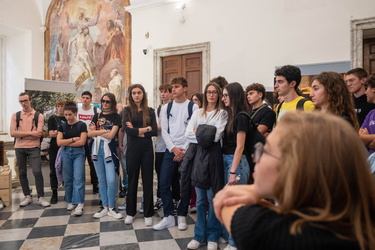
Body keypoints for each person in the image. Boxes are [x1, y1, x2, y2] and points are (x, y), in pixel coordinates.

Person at [213, 111, 375, 250]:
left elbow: (226, 200)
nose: (256, 158)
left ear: (295, 168)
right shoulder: (356, 225)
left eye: (265, 150)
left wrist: (255, 190)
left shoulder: (284, 236)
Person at [185, 82, 228, 250]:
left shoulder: (222, 114)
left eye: (214, 92)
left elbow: (216, 137)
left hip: (214, 158)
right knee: (201, 201)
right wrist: (205, 132)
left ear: (218, 95)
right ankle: (199, 236)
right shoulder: (197, 112)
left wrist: (199, 131)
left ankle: (212, 236)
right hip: (199, 158)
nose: (211, 95)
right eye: (208, 92)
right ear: (205, 94)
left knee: (212, 199)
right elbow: (188, 134)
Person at [153, 76, 198, 231]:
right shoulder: (167, 108)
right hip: (170, 150)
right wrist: (173, 149)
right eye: (172, 87)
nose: (173, 90)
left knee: (184, 184)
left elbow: (194, 131)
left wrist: (183, 149)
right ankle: (168, 216)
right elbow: (164, 130)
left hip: (187, 150)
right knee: (164, 183)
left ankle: (181, 215)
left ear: (185, 88)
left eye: (177, 86)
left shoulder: (194, 107)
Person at [221, 82, 252, 250]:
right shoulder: (230, 114)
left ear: (234, 96)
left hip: (237, 162)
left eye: (226, 95)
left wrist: (233, 171)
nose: (223, 98)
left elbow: (240, 146)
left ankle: (235, 243)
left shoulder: (240, 116)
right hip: (229, 159)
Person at [122, 84, 157, 226]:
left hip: (147, 149)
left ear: (143, 94)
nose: (136, 95)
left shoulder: (150, 111)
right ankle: (130, 212)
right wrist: (145, 129)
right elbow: (128, 132)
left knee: (148, 181)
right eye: (134, 93)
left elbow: (154, 131)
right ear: (130, 95)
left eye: (139, 92)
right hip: (132, 149)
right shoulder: (127, 111)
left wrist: (138, 130)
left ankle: (148, 213)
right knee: (132, 181)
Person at [10, 92, 50, 207]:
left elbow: (38, 134)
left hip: (34, 147)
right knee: (22, 172)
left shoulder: (38, 116)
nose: (23, 103)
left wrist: (21, 134)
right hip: (19, 147)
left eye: (25, 101)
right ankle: (27, 195)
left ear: (30, 100)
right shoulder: (15, 115)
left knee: (37, 171)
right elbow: (13, 133)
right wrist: (30, 133)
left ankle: (41, 197)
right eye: (21, 101)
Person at [88, 93, 123, 219]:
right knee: (101, 180)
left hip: (110, 150)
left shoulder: (116, 117)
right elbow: (89, 133)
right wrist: (103, 131)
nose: (104, 103)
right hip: (97, 149)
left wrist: (97, 132)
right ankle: (104, 206)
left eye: (107, 101)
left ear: (112, 103)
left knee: (111, 179)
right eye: (103, 101)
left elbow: (111, 135)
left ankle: (112, 207)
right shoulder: (97, 115)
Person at [57, 101, 87, 216]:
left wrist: (67, 142)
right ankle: (70, 201)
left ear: (75, 113)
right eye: (65, 115)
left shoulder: (81, 125)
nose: (68, 117)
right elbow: (59, 142)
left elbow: (82, 141)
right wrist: (73, 139)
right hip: (66, 153)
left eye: (70, 114)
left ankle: (79, 202)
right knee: (68, 179)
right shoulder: (62, 126)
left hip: (79, 153)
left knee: (78, 178)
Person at [154, 83, 173, 211]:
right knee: (160, 173)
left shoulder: (174, 108)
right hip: (160, 146)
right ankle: (160, 198)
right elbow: (156, 128)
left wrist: (163, 127)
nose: (163, 94)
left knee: (175, 175)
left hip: (174, 145)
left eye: (165, 91)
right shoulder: (158, 110)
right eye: (161, 91)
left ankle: (176, 199)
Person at [77, 91, 99, 194]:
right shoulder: (77, 110)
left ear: (91, 100)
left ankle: (95, 185)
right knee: (79, 164)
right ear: (81, 99)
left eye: (87, 98)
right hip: (80, 141)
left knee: (93, 164)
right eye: (83, 97)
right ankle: (79, 186)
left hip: (92, 140)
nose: (85, 99)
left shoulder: (96, 110)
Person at [47, 98, 67, 204]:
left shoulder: (69, 117)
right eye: (59, 106)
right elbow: (51, 134)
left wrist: (57, 132)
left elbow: (70, 133)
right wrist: (61, 132)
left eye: (62, 106)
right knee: (53, 170)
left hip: (66, 146)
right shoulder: (52, 118)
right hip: (54, 147)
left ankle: (67, 192)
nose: (60, 108)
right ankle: (54, 193)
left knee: (66, 170)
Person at [359, 73, 375, 153]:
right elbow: (360, 137)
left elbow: (363, 139)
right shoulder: (371, 113)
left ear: (373, 89)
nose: (365, 93)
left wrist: (367, 138)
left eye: (367, 88)